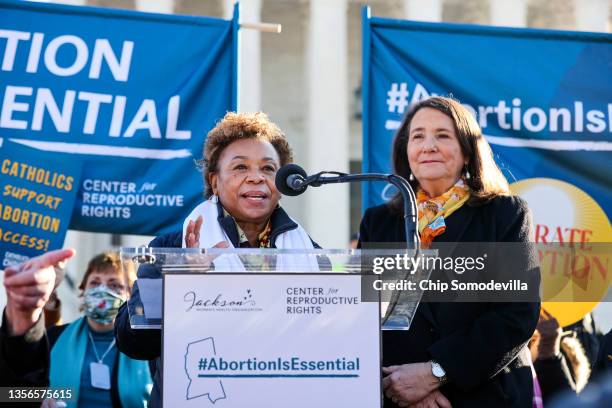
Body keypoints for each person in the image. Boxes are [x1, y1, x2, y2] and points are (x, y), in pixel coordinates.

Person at [115, 112, 320, 408]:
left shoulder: (311, 255)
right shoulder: (172, 249)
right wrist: (176, 283)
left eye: (268, 168)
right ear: (214, 180)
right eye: (240, 167)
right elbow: (132, 343)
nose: (256, 177)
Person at [358, 96, 540, 407]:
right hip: (398, 394)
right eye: (417, 136)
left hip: (485, 395)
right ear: (406, 151)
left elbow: (515, 315)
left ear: (468, 151)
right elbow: (367, 317)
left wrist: (434, 374)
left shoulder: (505, 214)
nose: (428, 146)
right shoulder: (379, 222)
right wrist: (401, 386)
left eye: (442, 135)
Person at [45, 252, 151, 408]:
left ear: (131, 295)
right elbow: (11, 392)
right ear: (83, 291)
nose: (102, 290)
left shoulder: (150, 347)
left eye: (114, 285)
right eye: (95, 283)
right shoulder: (55, 338)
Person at [1, 249, 74, 387]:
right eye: (95, 282)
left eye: (114, 285)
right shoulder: (66, 334)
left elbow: (14, 396)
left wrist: (24, 316)